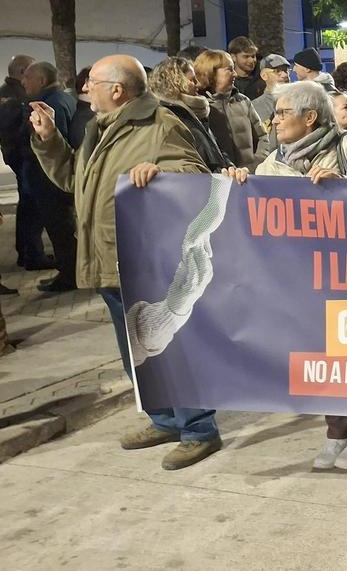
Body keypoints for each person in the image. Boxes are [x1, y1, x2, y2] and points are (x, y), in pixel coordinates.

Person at [29, 54, 222, 470]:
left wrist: (160, 172)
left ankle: (199, 429)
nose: (85, 89)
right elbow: (75, 180)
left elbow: (194, 173)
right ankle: (164, 420)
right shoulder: (98, 127)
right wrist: (48, 139)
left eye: (92, 82)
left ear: (117, 90)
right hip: (106, 257)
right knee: (136, 352)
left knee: (170, 349)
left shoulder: (160, 124)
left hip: (142, 257)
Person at [222, 80, 347, 470]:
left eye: (282, 113)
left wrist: (342, 189)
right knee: (320, 354)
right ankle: (337, 432)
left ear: (310, 117)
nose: (274, 120)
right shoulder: (271, 165)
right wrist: (240, 184)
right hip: (301, 280)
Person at [21, 61, 78, 293]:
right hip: (54, 177)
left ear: (42, 80)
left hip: (51, 179)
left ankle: (69, 276)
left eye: (27, 77)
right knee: (63, 229)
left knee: (61, 230)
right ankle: (69, 272)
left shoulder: (49, 104)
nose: (23, 82)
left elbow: (56, 141)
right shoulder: (64, 98)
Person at [0, 55, 53, 274]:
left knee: (27, 207)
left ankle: (27, 252)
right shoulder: (14, 97)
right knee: (32, 208)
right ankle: (32, 255)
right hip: (24, 158)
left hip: (19, 157)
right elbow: (15, 132)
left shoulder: (10, 93)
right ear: (22, 72)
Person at [147, 56, 233, 172]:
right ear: (174, 82)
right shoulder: (167, 116)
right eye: (192, 80)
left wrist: (230, 169)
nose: (198, 84)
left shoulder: (194, 113)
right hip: (197, 180)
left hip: (215, 179)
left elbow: (215, 151)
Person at [194, 50, 264, 171]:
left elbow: (262, 136)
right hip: (220, 177)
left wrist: (257, 164)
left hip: (249, 175)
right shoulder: (199, 107)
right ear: (211, 73)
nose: (235, 74)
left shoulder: (243, 101)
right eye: (230, 69)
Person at [251, 54, 292, 131]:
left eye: (286, 70)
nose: (285, 75)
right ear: (264, 76)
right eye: (277, 71)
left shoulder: (299, 101)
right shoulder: (254, 107)